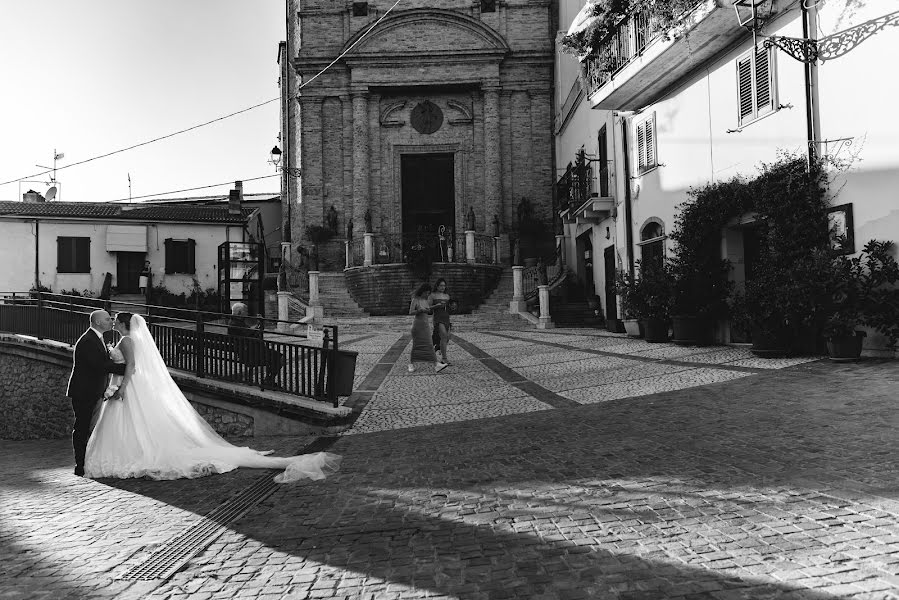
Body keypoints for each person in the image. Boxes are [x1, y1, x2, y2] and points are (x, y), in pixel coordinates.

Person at [84, 312, 341, 483]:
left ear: (122, 324)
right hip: (128, 387)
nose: (112, 322)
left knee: (133, 424)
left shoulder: (127, 341)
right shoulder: (126, 339)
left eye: (115, 319)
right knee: (136, 425)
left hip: (128, 387)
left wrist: (121, 388)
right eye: (110, 319)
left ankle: (132, 452)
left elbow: (130, 367)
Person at [66, 310, 128, 476]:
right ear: (99, 322)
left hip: (94, 391)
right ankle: (80, 465)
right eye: (108, 319)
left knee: (89, 428)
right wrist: (126, 368)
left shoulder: (98, 339)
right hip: (84, 392)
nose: (111, 321)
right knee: (82, 428)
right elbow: (101, 365)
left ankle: (88, 461)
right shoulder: (88, 341)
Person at [227, 303, 283, 385]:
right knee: (280, 358)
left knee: (277, 357)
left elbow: (254, 333)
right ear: (239, 313)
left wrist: (260, 324)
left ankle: (268, 380)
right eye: (245, 311)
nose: (247, 313)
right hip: (250, 354)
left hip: (251, 351)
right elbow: (251, 333)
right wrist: (258, 323)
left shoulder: (235, 322)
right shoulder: (235, 324)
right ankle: (268, 380)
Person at [408, 283, 448, 374]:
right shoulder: (415, 299)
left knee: (429, 344)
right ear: (422, 291)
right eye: (426, 293)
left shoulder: (425, 300)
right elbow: (410, 312)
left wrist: (436, 306)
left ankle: (436, 364)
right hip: (417, 326)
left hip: (425, 325)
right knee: (416, 345)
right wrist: (419, 310)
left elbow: (428, 310)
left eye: (428, 293)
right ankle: (411, 364)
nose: (427, 295)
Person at [428, 278, 453, 365]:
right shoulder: (432, 295)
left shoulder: (447, 296)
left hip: (446, 317)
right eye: (441, 285)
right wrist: (436, 306)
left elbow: (449, 308)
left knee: (448, 337)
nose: (443, 287)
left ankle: (438, 347)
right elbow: (428, 308)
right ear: (437, 286)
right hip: (438, 318)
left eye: (444, 285)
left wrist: (453, 307)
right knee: (444, 336)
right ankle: (444, 359)